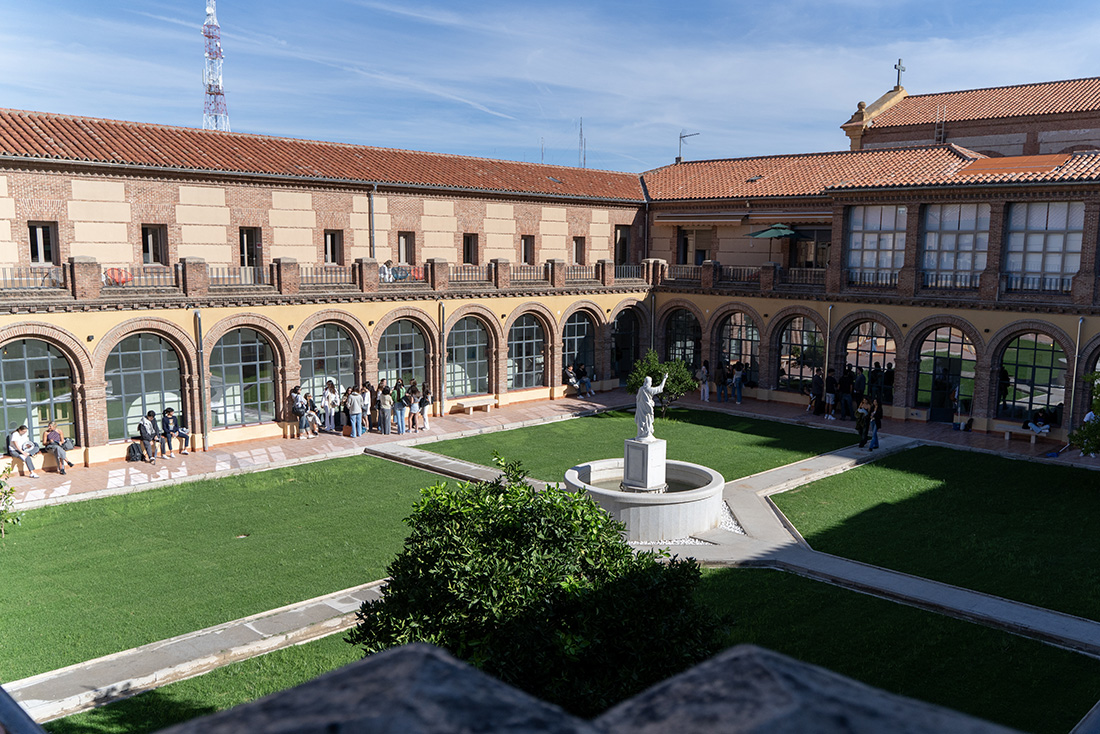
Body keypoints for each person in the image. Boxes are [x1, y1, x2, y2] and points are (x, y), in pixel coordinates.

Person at [635, 373, 668, 440]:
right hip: (647, 410)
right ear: (649, 382)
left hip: (641, 410)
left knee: (641, 422)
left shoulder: (641, 389)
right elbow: (660, 388)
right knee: (647, 422)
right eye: (651, 382)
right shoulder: (649, 390)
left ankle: (641, 434)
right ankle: (646, 434)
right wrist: (664, 378)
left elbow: (637, 398)